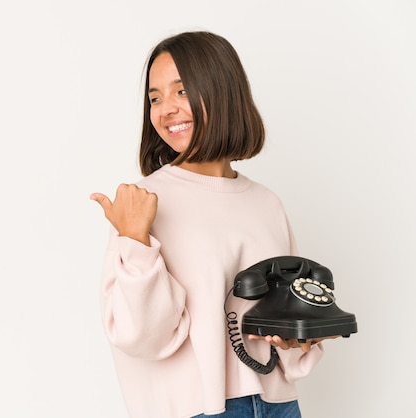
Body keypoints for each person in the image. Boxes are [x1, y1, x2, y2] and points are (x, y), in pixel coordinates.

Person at [90, 31, 335, 418]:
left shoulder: (265, 202)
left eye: (182, 91)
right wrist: (135, 238)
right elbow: (139, 336)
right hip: (199, 409)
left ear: (222, 92)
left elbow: (281, 316)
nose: (165, 109)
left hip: (279, 404)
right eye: (155, 98)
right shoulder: (143, 202)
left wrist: (299, 334)